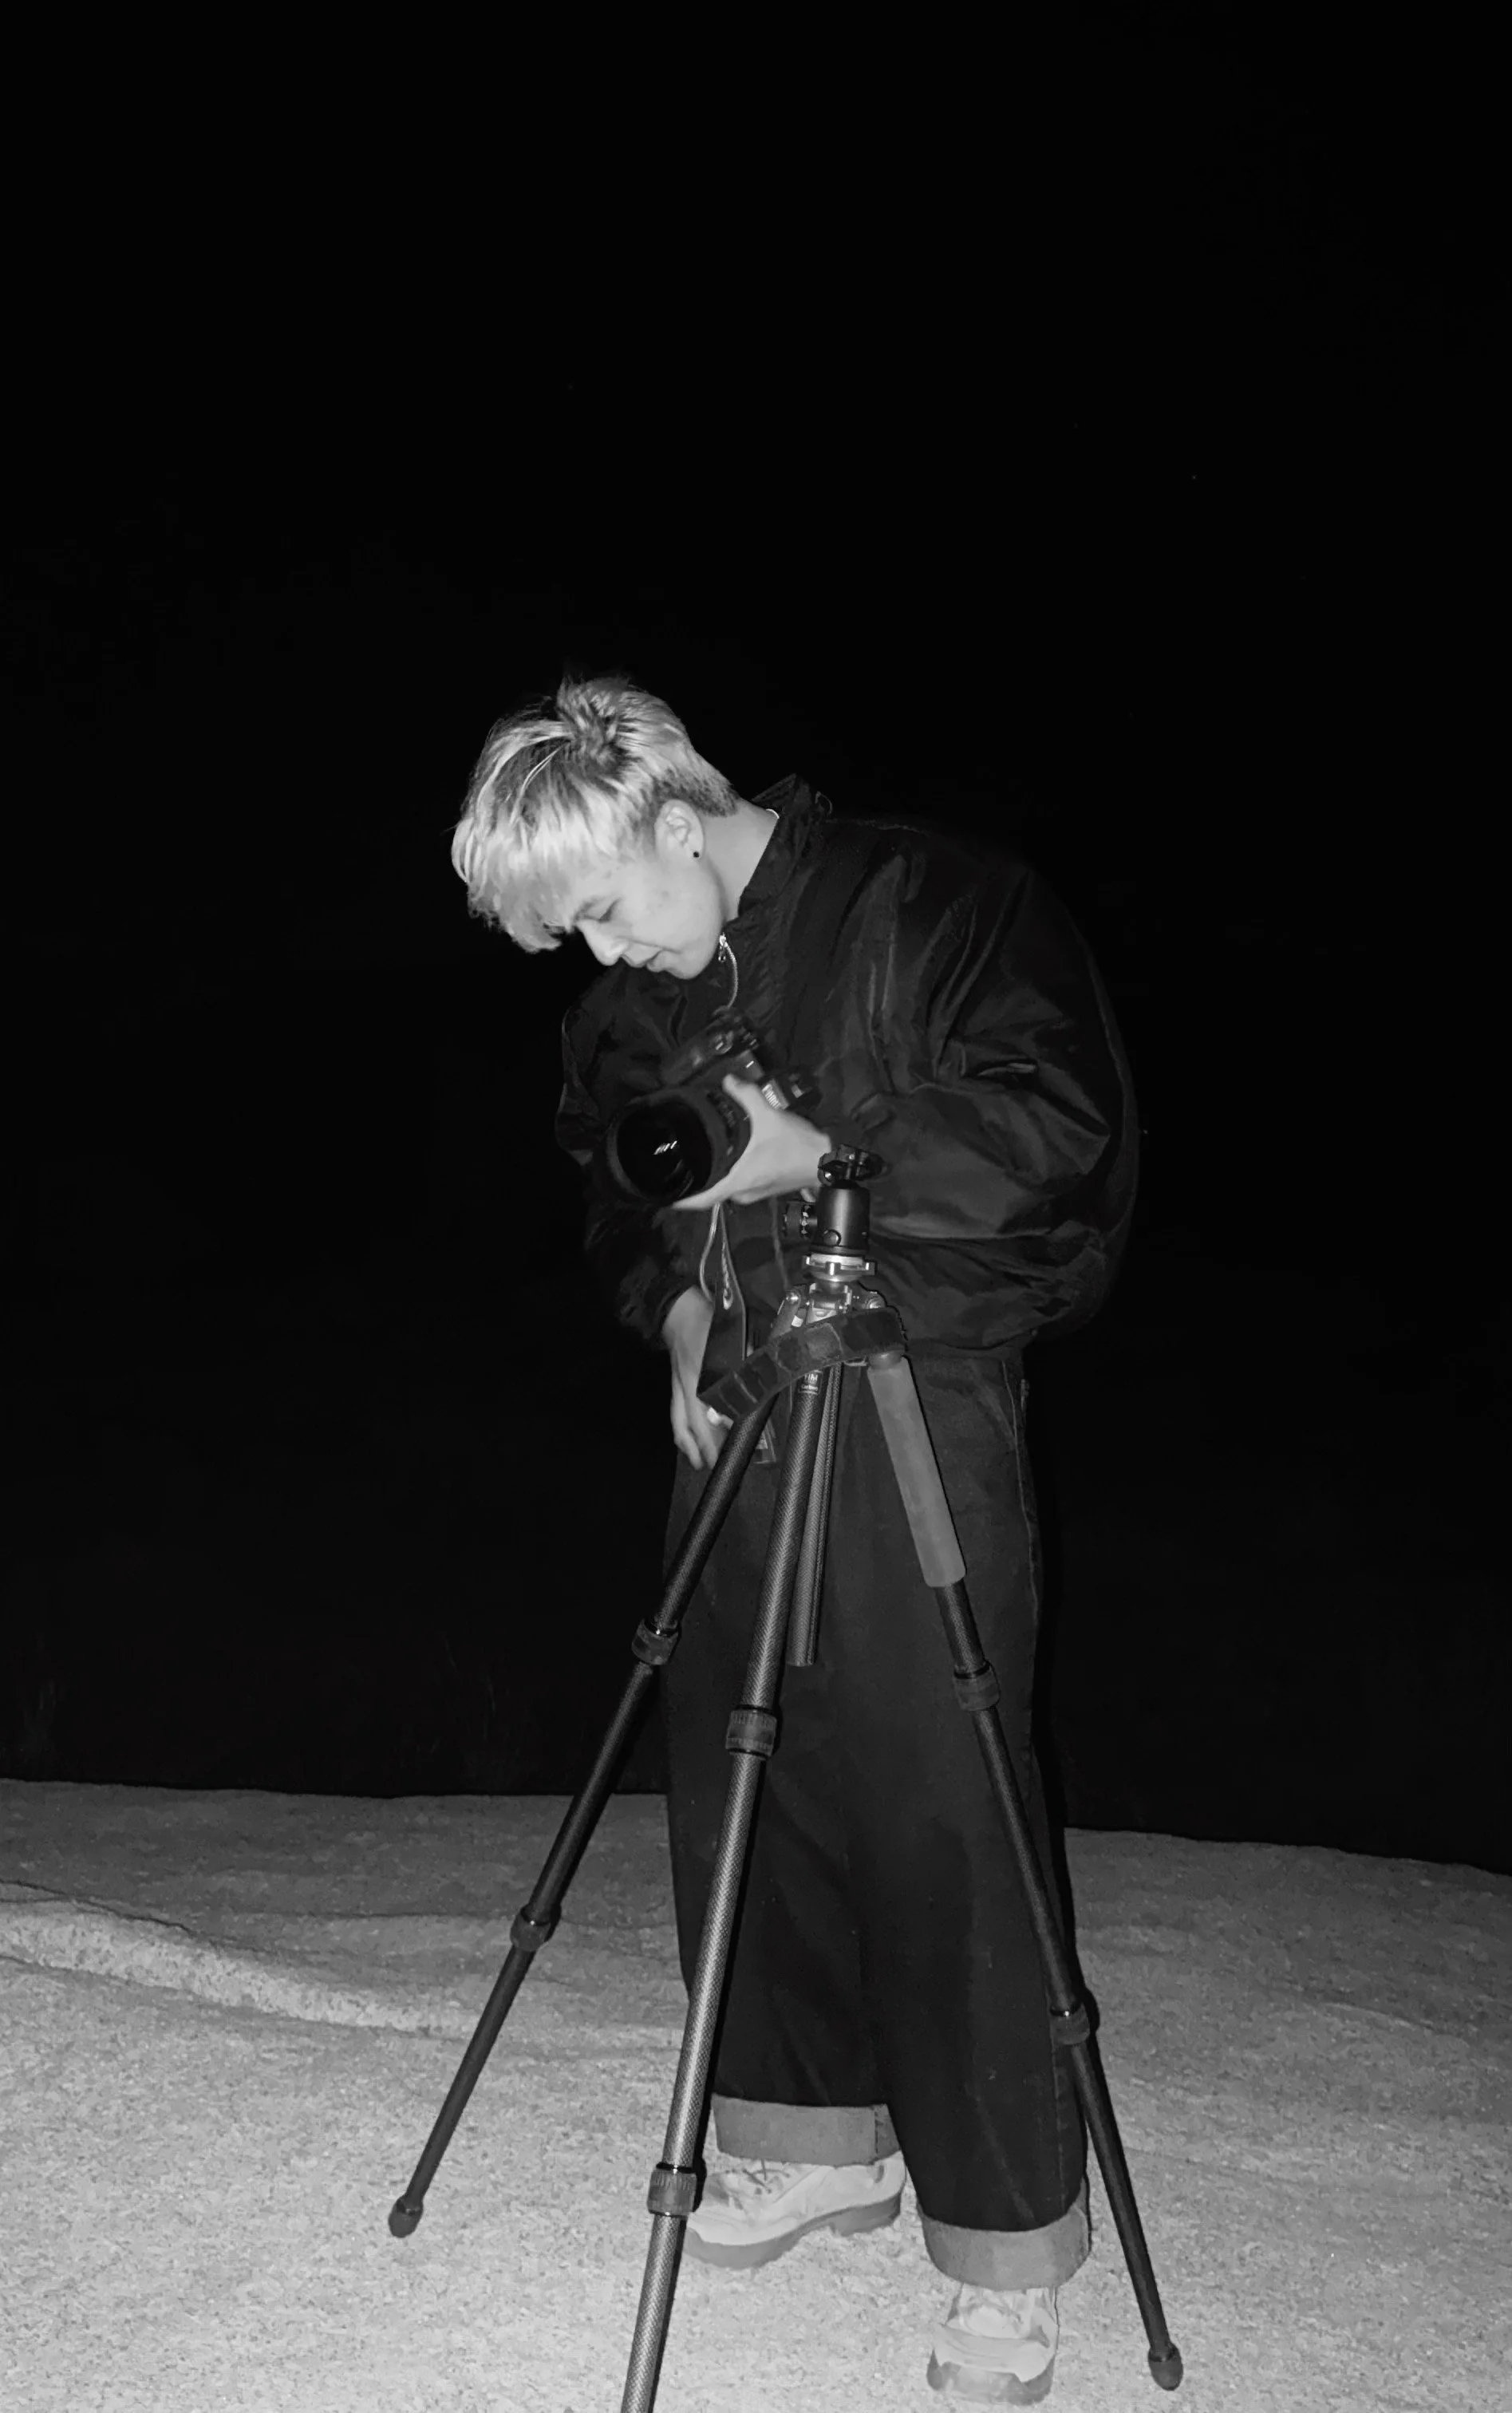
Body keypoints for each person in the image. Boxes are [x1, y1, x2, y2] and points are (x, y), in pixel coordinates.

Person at [450, 672, 1139, 2407]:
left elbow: (1057, 1134)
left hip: (915, 1396)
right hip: (739, 1414)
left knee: (938, 1798)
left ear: (674, 819)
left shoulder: (938, 903)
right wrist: (678, 1309)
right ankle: (807, 2139)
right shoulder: (635, 1000)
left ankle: (1001, 2248)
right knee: (746, 1772)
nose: (606, 954)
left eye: (603, 907)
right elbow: (616, 1187)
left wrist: (820, 1157)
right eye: (571, 937)